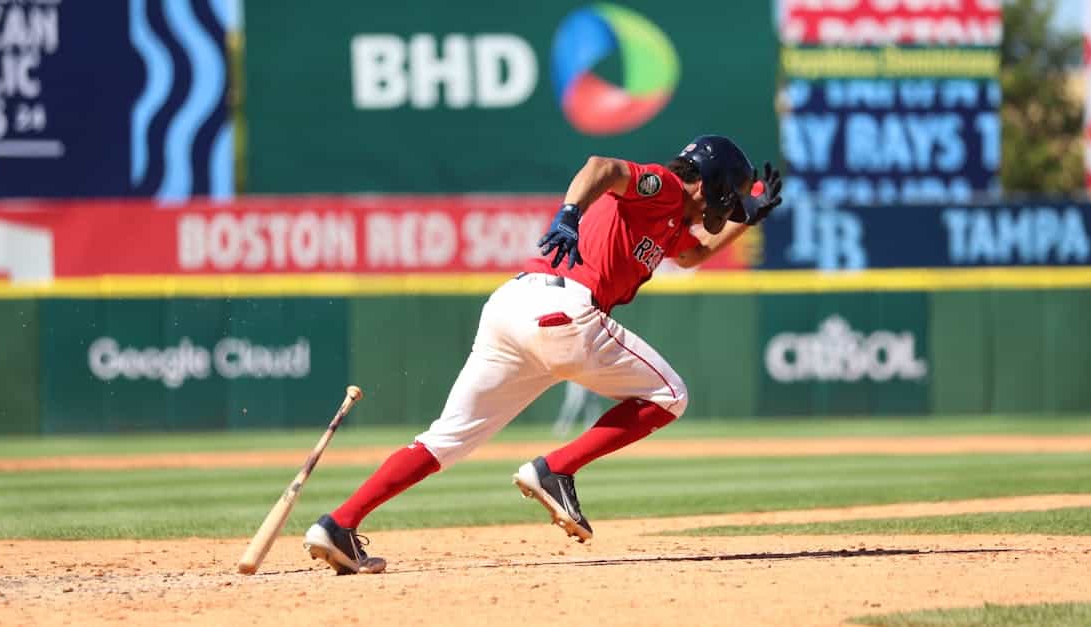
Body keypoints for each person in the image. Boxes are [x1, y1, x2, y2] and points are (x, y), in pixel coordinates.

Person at [303, 135, 782, 574]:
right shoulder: (669, 188)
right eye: (733, 198)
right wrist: (569, 213)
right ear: (714, 183)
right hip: (563, 309)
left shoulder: (676, 221)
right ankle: (555, 469)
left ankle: (340, 524)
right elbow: (604, 167)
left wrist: (750, 220)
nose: (731, 209)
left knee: (445, 440)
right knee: (670, 394)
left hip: (512, 309)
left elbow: (693, 256)